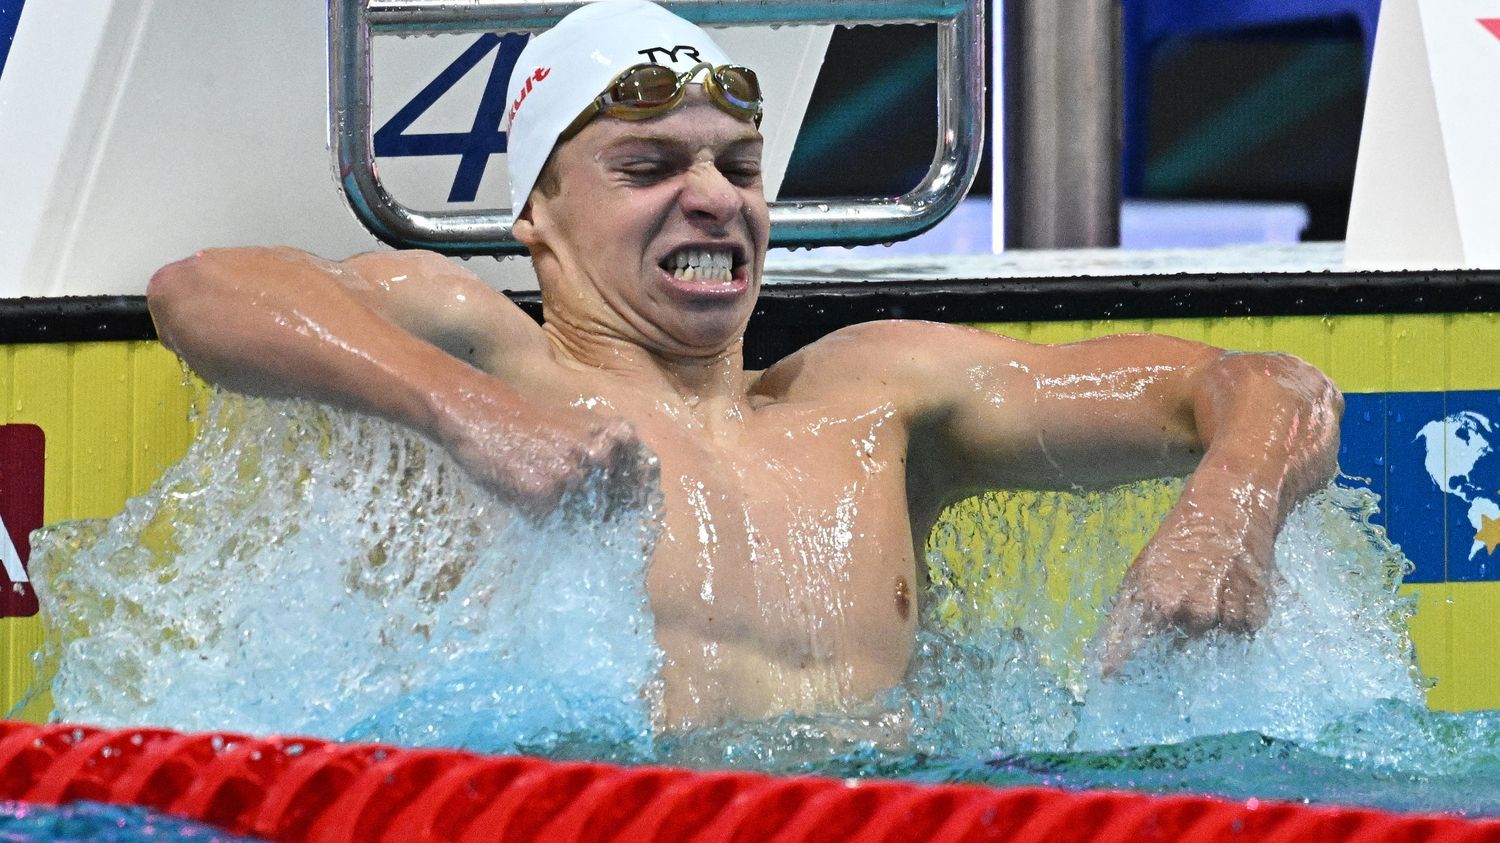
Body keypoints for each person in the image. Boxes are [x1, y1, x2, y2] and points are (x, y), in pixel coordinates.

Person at [147, 0, 1341, 730]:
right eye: (649, 166)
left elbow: (1265, 387)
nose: (714, 198)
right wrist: (468, 417)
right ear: (538, 216)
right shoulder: (492, 359)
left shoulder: (877, 397)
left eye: (740, 166)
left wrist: (1230, 509)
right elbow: (201, 292)